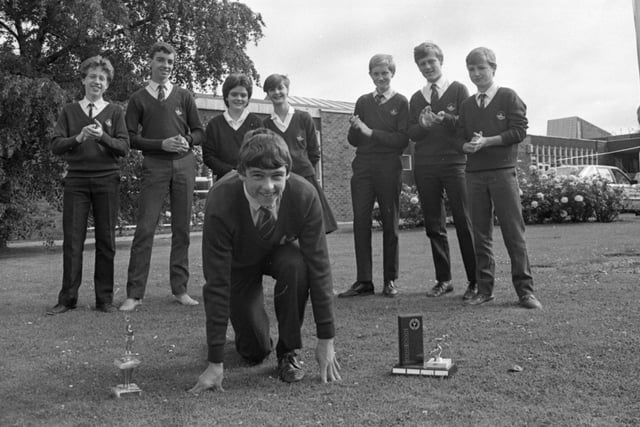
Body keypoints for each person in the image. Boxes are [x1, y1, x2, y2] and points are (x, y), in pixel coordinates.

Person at [189, 128, 341, 392]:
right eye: (258, 176)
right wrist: (215, 361)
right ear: (241, 173)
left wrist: (326, 338)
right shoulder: (221, 199)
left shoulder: (305, 195)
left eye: (277, 176)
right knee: (254, 351)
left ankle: (289, 351)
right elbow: (216, 283)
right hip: (239, 263)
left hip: (281, 256)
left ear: (288, 174)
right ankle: (248, 339)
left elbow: (319, 267)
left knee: (297, 264)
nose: (268, 187)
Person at [119, 41, 204, 311]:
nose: (165, 66)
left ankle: (180, 289)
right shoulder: (138, 98)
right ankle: (134, 294)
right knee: (144, 229)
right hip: (154, 166)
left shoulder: (184, 95)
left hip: (184, 166)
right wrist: (161, 144)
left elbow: (199, 132)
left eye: (169, 61)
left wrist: (187, 140)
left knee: (182, 230)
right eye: (160, 60)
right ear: (150, 62)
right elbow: (129, 138)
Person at [455, 47, 542, 309]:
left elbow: (519, 131)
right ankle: (484, 290)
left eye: (481, 68)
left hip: (503, 173)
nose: (476, 73)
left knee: (513, 233)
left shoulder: (508, 97)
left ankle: (525, 292)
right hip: (474, 176)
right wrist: (465, 147)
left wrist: (488, 142)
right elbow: (459, 136)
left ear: (493, 68)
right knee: (480, 235)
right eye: (471, 69)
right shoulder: (467, 105)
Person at [47, 55, 129, 315]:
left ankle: (104, 300)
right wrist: (79, 137)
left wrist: (103, 137)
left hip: (107, 180)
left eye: (102, 78)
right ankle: (67, 299)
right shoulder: (70, 111)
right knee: (73, 241)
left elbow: (124, 147)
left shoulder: (115, 112)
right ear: (83, 79)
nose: (97, 81)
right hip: (77, 181)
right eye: (92, 76)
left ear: (107, 84)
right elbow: (56, 145)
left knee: (107, 240)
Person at [408, 42, 477, 300]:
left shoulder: (458, 90)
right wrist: (423, 124)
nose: (427, 67)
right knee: (434, 225)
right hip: (426, 166)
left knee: (463, 222)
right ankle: (444, 279)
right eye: (422, 64)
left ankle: (475, 281)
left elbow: (466, 125)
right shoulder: (417, 98)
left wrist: (444, 119)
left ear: (440, 61)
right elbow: (410, 133)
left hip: (454, 164)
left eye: (431, 62)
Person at [338, 54, 409, 298]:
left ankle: (390, 280)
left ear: (392, 74)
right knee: (360, 222)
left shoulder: (401, 102)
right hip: (363, 166)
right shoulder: (363, 101)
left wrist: (370, 131)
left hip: (389, 165)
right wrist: (355, 128)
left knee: (390, 223)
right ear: (370, 75)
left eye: (384, 73)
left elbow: (401, 140)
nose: (380, 78)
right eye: (376, 74)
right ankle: (364, 281)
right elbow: (354, 140)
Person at [262, 73, 338, 233]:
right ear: (267, 94)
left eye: (280, 88)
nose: (276, 92)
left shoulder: (304, 117)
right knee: (285, 230)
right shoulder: (266, 125)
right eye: (271, 89)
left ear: (287, 90)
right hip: (280, 182)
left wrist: (303, 171)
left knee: (312, 228)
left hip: (305, 179)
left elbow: (314, 153)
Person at [202, 73, 262, 179]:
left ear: (248, 99)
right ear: (226, 97)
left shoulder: (257, 123)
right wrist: (229, 171)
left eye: (243, 95)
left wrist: (246, 172)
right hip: (224, 180)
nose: (239, 98)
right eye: (234, 94)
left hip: (252, 180)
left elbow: (262, 152)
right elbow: (208, 156)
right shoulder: (214, 124)